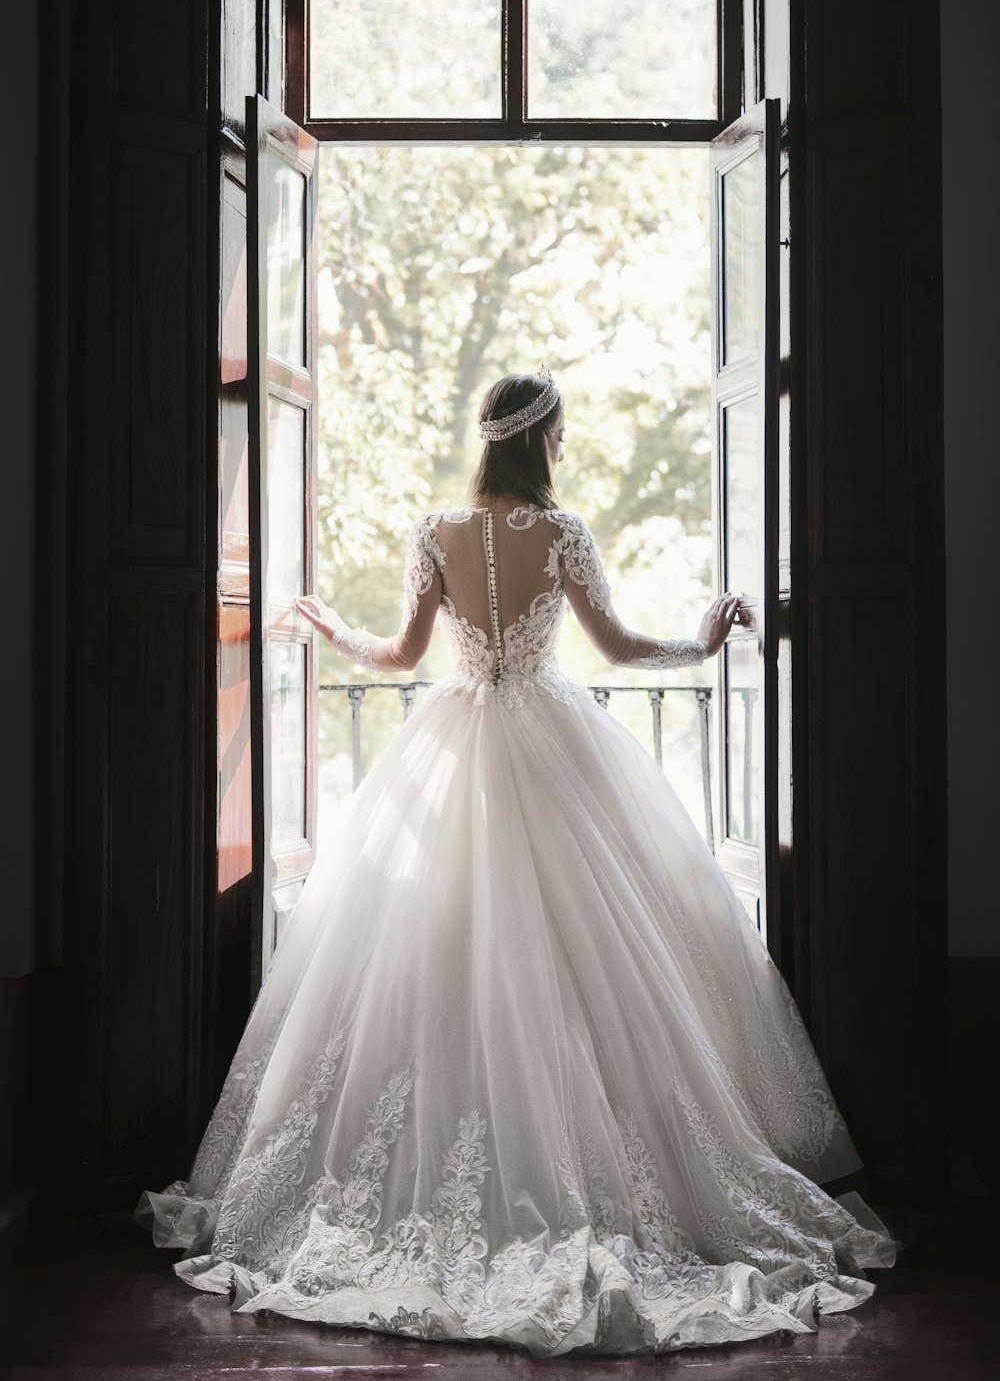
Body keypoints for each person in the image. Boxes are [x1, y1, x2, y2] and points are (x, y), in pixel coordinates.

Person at [135, 368, 895, 1357]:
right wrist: (700, 642)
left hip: (453, 743)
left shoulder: (435, 530)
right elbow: (619, 646)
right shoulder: (562, 532)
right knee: (595, 963)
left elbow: (402, 656)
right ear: (543, 438)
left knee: (436, 955)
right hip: (553, 744)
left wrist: (331, 629)